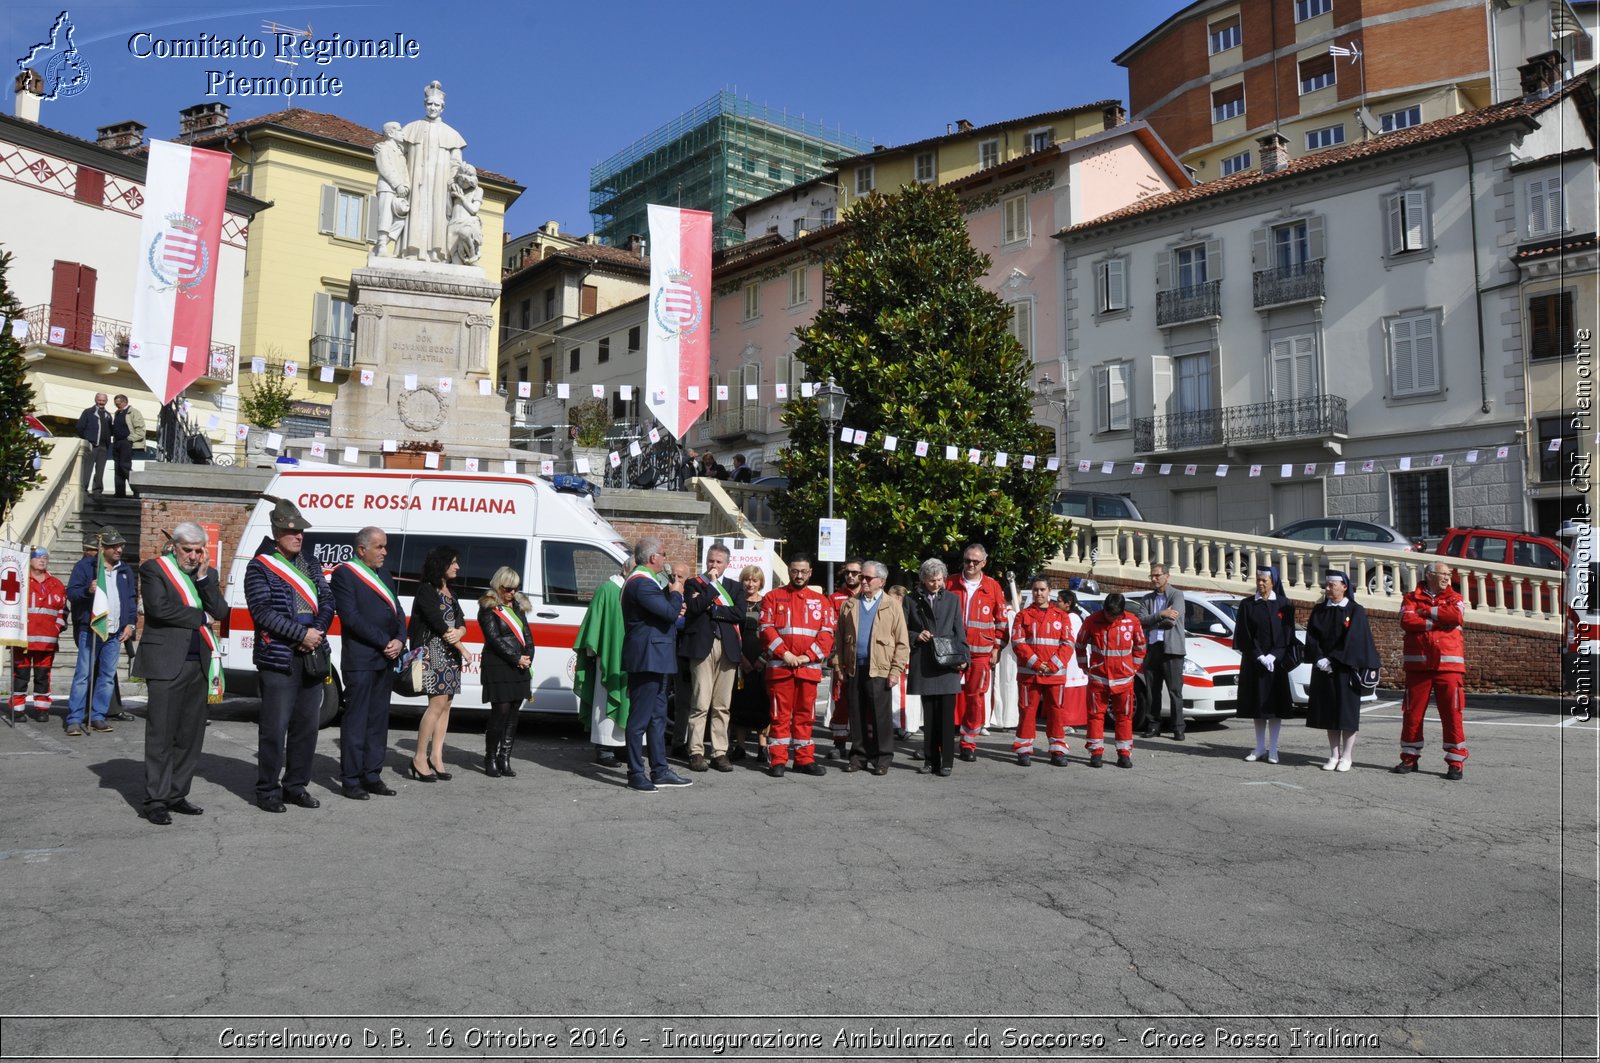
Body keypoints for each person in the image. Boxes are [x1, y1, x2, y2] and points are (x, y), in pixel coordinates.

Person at [244, 497, 335, 812]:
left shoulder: (309, 562)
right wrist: (301, 635)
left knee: (306, 729)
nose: (298, 536)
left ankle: (295, 786)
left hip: (311, 655)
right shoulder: (260, 566)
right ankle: (267, 790)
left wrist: (316, 632)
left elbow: (327, 600)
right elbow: (262, 613)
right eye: (291, 531)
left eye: (301, 532)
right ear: (276, 531)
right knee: (274, 729)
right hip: (279, 657)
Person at [132, 524, 226, 825]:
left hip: (199, 663)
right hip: (165, 662)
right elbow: (159, 609)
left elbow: (221, 611)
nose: (194, 556)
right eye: (188, 549)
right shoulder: (154, 569)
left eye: (200, 550)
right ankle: (156, 799)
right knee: (162, 733)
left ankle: (177, 793)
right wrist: (200, 616)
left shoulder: (204, 575)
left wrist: (203, 580)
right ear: (174, 546)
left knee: (190, 735)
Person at [329, 526, 405, 800]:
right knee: (357, 721)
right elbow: (350, 617)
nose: (385, 552)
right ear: (362, 550)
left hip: (385, 660)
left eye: (385, 546)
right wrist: (384, 641)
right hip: (361, 660)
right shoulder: (345, 574)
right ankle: (351, 779)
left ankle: (372, 775)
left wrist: (400, 639)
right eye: (379, 547)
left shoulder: (384, 573)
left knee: (378, 721)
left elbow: (398, 610)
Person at [620, 538, 694, 792]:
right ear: (653, 558)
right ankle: (635, 771)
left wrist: (672, 601)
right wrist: (676, 594)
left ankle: (660, 769)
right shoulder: (640, 583)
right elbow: (670, 613)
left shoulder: (647, 583)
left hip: (657, 658)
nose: (665, 559)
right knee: (640, 719)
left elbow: (666, 613)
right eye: (663, 554)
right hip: (647, 659)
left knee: (658, 718)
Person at [759, 553, 834, 778]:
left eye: (803, 571)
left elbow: (827, 634)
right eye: (794, 571)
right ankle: (778, 760)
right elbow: (765, 629)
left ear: (810, 572)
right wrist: (786, 654)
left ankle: (804, 759)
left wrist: (806, 657)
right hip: (781, 668)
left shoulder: (822, 601)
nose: (799, 575)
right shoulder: (773, 597)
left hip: (808, 669)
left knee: (805, 715)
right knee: (779, 715)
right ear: (789, 571)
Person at [832, 560, 909, 775]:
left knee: (879, 716)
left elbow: (902, 641)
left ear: (881, 581)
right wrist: (838, 665)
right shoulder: (850, 604)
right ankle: (858, 756)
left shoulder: (892, 605)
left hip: (881, 668)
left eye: (867, 578)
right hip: (855, 667)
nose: (862, 581)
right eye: (861, 577)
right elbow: (838, 638)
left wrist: (896, 670)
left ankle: (882, 758)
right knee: (855, 714)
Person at [1395, 561, 1469, 780]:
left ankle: (1455, 761)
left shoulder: (1455, 597)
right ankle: (1409, 757)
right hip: (1418, 666)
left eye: (1449, 573)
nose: (1448, 577)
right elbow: (1406, 620)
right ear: (1429, 575)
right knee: (1412, 714)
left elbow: (1455, 617)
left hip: (1449, 666)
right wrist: (1437, 621)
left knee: (1452, 714)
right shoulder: (1410, 597)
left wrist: (1426, 612)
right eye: (1443, 573)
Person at [63, 527, 136, 736]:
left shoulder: (124, 570)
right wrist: (88, 591)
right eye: (114, 546)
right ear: (102, 547)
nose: (119, 550)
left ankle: (98, 715)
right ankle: (75, 718)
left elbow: (130, 599)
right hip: (91, 628)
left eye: (120, 545)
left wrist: (130, 624)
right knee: (83, 675)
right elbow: (72, 593)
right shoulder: (85, 567)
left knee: (107, 676)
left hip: (115, 631)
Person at [1305, 571, 1379, 773]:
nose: (1328, 588)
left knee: (1346, 714)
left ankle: (1347, 756)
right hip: (1324, 669)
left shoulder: (1355, 610)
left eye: (1332, 585)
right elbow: (1312, 636)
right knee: (1329, 713)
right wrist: (1319, 658)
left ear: (1344, 586)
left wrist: (1332, 659)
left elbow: (1354, 639)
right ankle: (1333, 754)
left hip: (1346, 669)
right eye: (1326, 585)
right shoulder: (1320, 609)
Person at [681, 543, 745, 772]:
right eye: (710, 560)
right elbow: (695, 607)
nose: (713, 565)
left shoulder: (736, 587)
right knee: (700, 702)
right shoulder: (693, 584)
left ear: (727, 564)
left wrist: (714, 609)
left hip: (727, 648)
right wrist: (711, 587)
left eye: (718, 562)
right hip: (702, 647)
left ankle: (719, 753)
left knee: (722, 705)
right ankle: (696, 751)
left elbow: (739, 613)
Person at [408, 545, 466, 782]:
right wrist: (462, 646)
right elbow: (439, 624)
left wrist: (461, 632)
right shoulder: (426, 591)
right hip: (433, 654)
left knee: (446, 705)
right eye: (453, 562)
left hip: (450, 655)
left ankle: (437, 757)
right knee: (436, 705)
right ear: (441, 564)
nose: (457, 566)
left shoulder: (451, 592)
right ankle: (419, 758)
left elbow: (461, 622)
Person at [947, 543, 1008, 760]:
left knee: (975, 698)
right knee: (946, 696)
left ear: (984, 562)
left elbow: (1002, 622)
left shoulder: (993, 587)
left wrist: (997, 647)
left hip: (981, 653)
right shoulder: (950, 582)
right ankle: (941, 741)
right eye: (967, 560)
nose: (971, 564)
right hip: (952, 651)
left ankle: (968, 742)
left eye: (975, 561)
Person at [907, 559, 967, 776]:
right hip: (925, 661)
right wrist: (916, 635)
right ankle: (930, 761)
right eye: (932, 580)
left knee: (946, 718)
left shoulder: (952, 599)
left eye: (940, 580)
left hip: (948, 662)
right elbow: (902, 629)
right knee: (930, 717)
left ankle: (947, 762)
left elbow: (959, 630)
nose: (936, 584)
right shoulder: (910, 600)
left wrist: (964, 657)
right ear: (923, 579)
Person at [1011, 576, 1075, 767]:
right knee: (1027, 711)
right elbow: (1018, 643)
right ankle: (1023, 749)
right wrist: (1037, 664)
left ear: (1049, 591)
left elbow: (1068, 643)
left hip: (1054, 675)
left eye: (1042, 590)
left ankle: (1057, 750)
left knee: (1056, 712)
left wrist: (1053, 665)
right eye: (1035, 590)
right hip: (1030, 674)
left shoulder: (1061, 616)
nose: (1039, 593)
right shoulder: (1022, 615)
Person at [399, 81, 466, 262]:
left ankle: (436, 253)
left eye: (436, 105)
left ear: (442, 108)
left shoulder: (451, 134)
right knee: (416, 211)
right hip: (416, 180)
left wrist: (453, 181)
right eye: (430, 104)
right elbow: (400, 156)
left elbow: (456, 163)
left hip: (440, 183)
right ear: (424, 105)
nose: (433, 108)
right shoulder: (411, 129)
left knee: (437, 214)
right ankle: (411, 251)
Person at [1235, 567, 1296, 764]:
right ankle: (1260, 746)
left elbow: (1288, 635)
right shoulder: (1247, 605)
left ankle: (1274, 748)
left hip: (1275, 665)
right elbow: (1244, 634)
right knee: (1258, 706)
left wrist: (1274, 656)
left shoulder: (1284, 604)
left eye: (1264, 580)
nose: (1260, 583)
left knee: (1274, 707)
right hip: (1255, 663)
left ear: (1273, 582)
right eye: (1258, 580)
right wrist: (1259, 655)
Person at [478, 566, 533, 778]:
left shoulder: (518, 606)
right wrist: (515, 657)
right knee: (500, 711)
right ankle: (490, 757)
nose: (512, 593)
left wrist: (528, 656)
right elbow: (494, 638)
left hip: (520, 665)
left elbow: (527, 635)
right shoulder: (488, 607)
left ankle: (505, 757)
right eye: (508, 588)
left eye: (516, 588)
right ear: (499, 586)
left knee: (513, 713)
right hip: (498, 664)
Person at [1081, 592, 1146, 768]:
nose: (1111, 618)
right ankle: (1095, 753)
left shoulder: (1132, 621)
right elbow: (1079, 645)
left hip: (1124, 680)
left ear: (1121, 612)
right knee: (1095, 716)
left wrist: (1133, 668)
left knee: (1124, 717)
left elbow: (1141, 647)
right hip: (1099, 679)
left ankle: (1124, 754)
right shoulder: (1092, 620)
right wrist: (1085, 667)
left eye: (1114, 615)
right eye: (1108, 614)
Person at [575, 571, 629, 766]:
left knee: (629, 701)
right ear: (625, 570)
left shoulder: (636, 587)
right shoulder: (607, 589)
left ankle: (624, 746)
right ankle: (604, 748)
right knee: (605, 698)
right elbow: (595, 619)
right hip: (609, 654)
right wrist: (593, 652)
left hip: (631, 656)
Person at [11, 549, 66, 723]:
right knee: (21, 675)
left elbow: (63, 611)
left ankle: (42, 708)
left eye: (45, 558)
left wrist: (56, 627)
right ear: (30, 560)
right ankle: (17, 708)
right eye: (38, 558)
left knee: (43, 675)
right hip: (23, 639)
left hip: (47, 640)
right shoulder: (20, 581)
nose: (42, 561)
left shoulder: (57, 583)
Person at [1138, 563, 1188, 739]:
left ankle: (1178, 727)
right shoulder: (1146, 598)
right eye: (1151, 576)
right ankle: (1153, 725)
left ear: (1167, 576)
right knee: (1152, 689)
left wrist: (1156, 620)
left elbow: (1171, 622)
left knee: (1175, 690)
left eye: (1157, 575)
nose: (1154, 579)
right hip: (1152, 648)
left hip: (1172, 649)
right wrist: (1161, 614)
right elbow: (1141, 621)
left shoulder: (1177, 595)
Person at [729, 564, 770, 763]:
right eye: (746, 579)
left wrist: (763, 659)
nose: (750, 584)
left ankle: (763, 747)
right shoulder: (736, 603)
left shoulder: (767, 603)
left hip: (762, 659)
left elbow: (772, 633)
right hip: (740, 659)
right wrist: (741, 659)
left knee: (762, 702)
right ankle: (740, 746)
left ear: (760, 582)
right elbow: (731, 633)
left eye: (754, 580)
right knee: (740, 702)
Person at [826, 559, 864, 760]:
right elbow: (831, 630)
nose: (851, 576)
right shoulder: (835, 598)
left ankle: (860, 745)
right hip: (842, 658)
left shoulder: (867, 596)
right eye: (848, 572)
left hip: (864, 659)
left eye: (856, 573)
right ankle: (839, 743)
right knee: (840, 700)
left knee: (862, 702)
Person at [371, 121, 410, 257]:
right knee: (386, 216)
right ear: (390, 133)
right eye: (399, 130)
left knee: (401, 220)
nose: (402, 133)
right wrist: (398, 184)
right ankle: (381, 245)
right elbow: (385, 168)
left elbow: (405, 171)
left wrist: (405, 186)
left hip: (400, 191)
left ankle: (380, 245)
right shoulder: (383, 148)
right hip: (388, 187)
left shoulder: (400, 152)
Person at [446, 162, 484, 265]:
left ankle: (473, 258)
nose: (462, 183)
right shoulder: (456, 188)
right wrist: (452, 186)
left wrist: (462, 198)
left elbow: (474, 210)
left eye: (464, 180)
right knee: (456, 264)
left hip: (468, 222)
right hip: (453, 225)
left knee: (465, 233)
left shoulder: (478, 190)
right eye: (460, 180)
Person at [76, 392, 113, 496]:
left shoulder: (108, 415)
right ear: (95, 400)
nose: (101, 402)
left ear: (106, 401)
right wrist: (87, 440)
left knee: (100, 470)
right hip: (92, 445)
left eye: (104, 401)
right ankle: (83, 488)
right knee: (88, 468)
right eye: (100, 400)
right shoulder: (88, 412)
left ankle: (97, 490)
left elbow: (110, 430)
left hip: (104, 446)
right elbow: (79, 427)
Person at [110, 395, 145, 498]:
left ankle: (137, 490)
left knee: (125, 466)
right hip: (117, 442)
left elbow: (140, 429)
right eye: (116, 404)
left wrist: (130, 439)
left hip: (126, 442)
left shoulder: (133, 412)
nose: (117, 406)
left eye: (119, 404)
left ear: (125, 402)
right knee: (118, 468)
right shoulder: (117, 413)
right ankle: (119, 493)